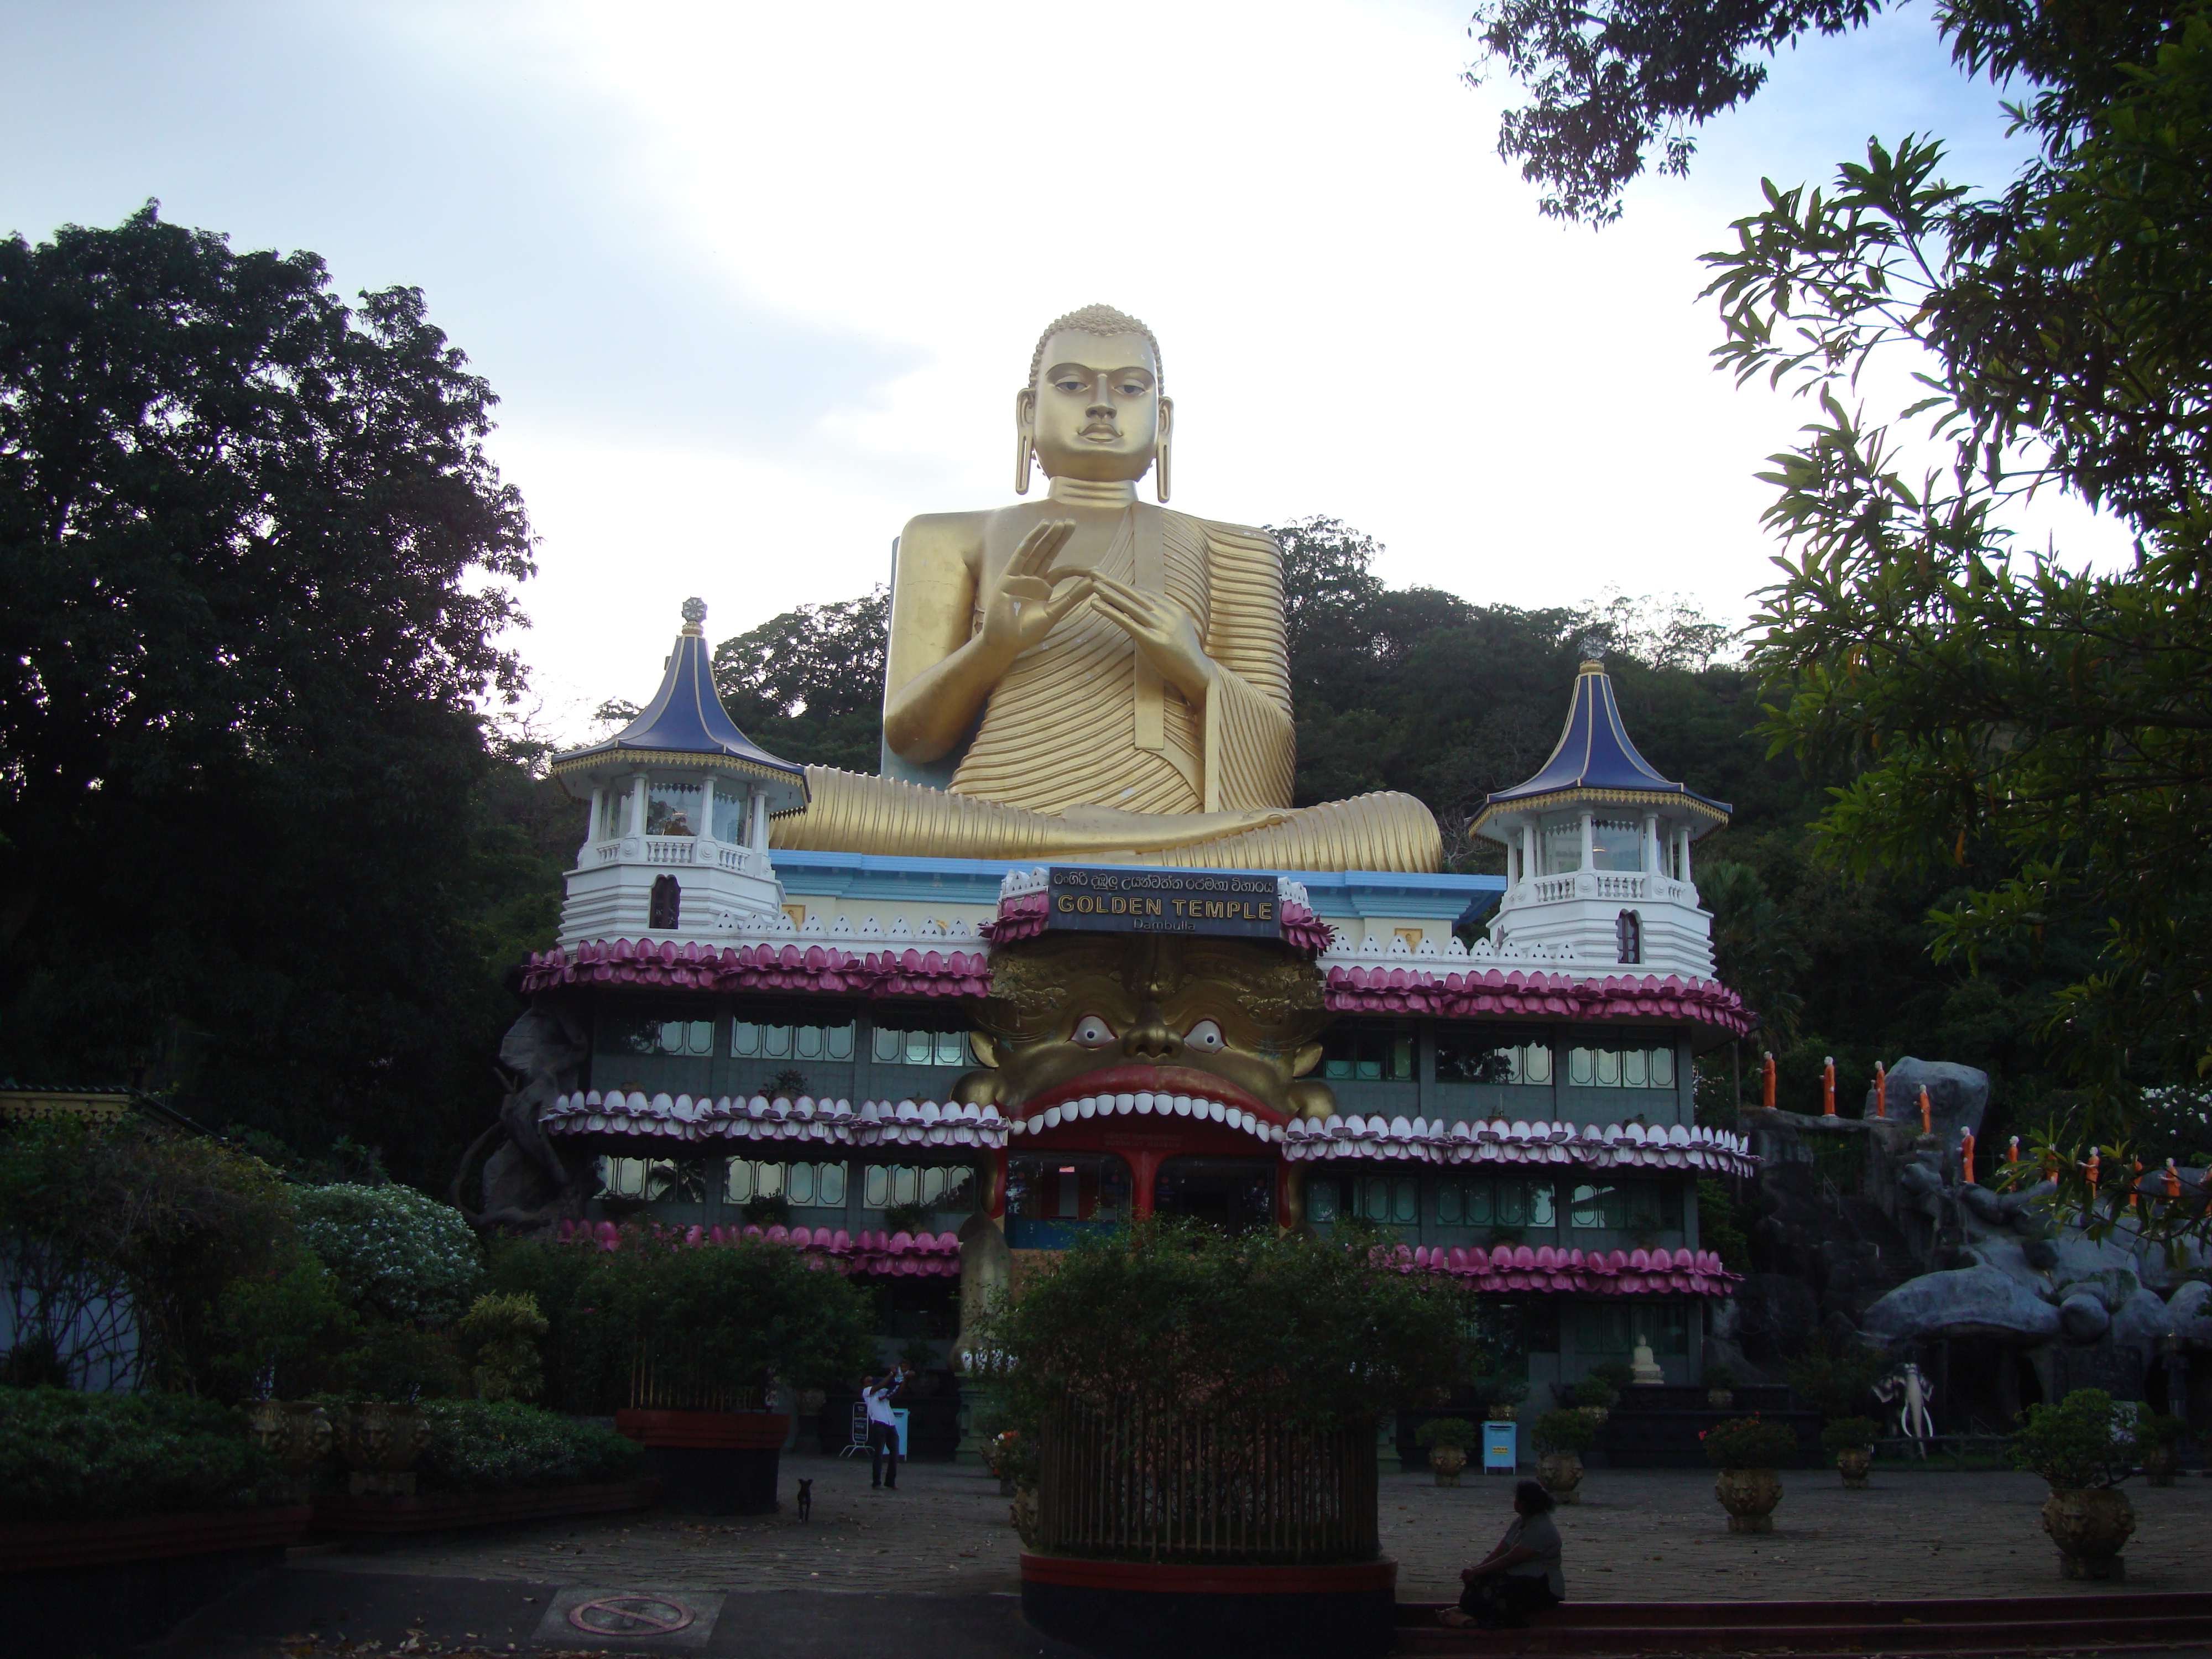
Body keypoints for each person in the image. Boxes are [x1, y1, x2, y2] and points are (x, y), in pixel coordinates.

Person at [1440, 1479, 1565, 1630]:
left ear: (1523, 1504)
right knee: (1480, 1583)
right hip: (1518, 1575)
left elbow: (1511, 1559)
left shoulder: (1542, 1528)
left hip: (1540, 1584)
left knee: (1499, 1591)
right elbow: (1501, 1551)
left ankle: (1477, 1622)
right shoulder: (1520, 1522)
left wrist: (1478, 1572)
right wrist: (1477, 1570)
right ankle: (1465, 1612)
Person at [860, 1363, 907, 1490]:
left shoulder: (883, 1391)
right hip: (879, 1423)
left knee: (895, 1454)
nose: (871, 1381)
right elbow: (880, 1385)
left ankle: (890, 1481)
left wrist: (903, 1378)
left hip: (890, 1422)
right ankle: (876, 1482)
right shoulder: (867, 1393)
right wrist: (891, 1374)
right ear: (864, 1384)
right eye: (868, 1381)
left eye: (872, 1379)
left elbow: (898, 1391)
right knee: (879, 1454)